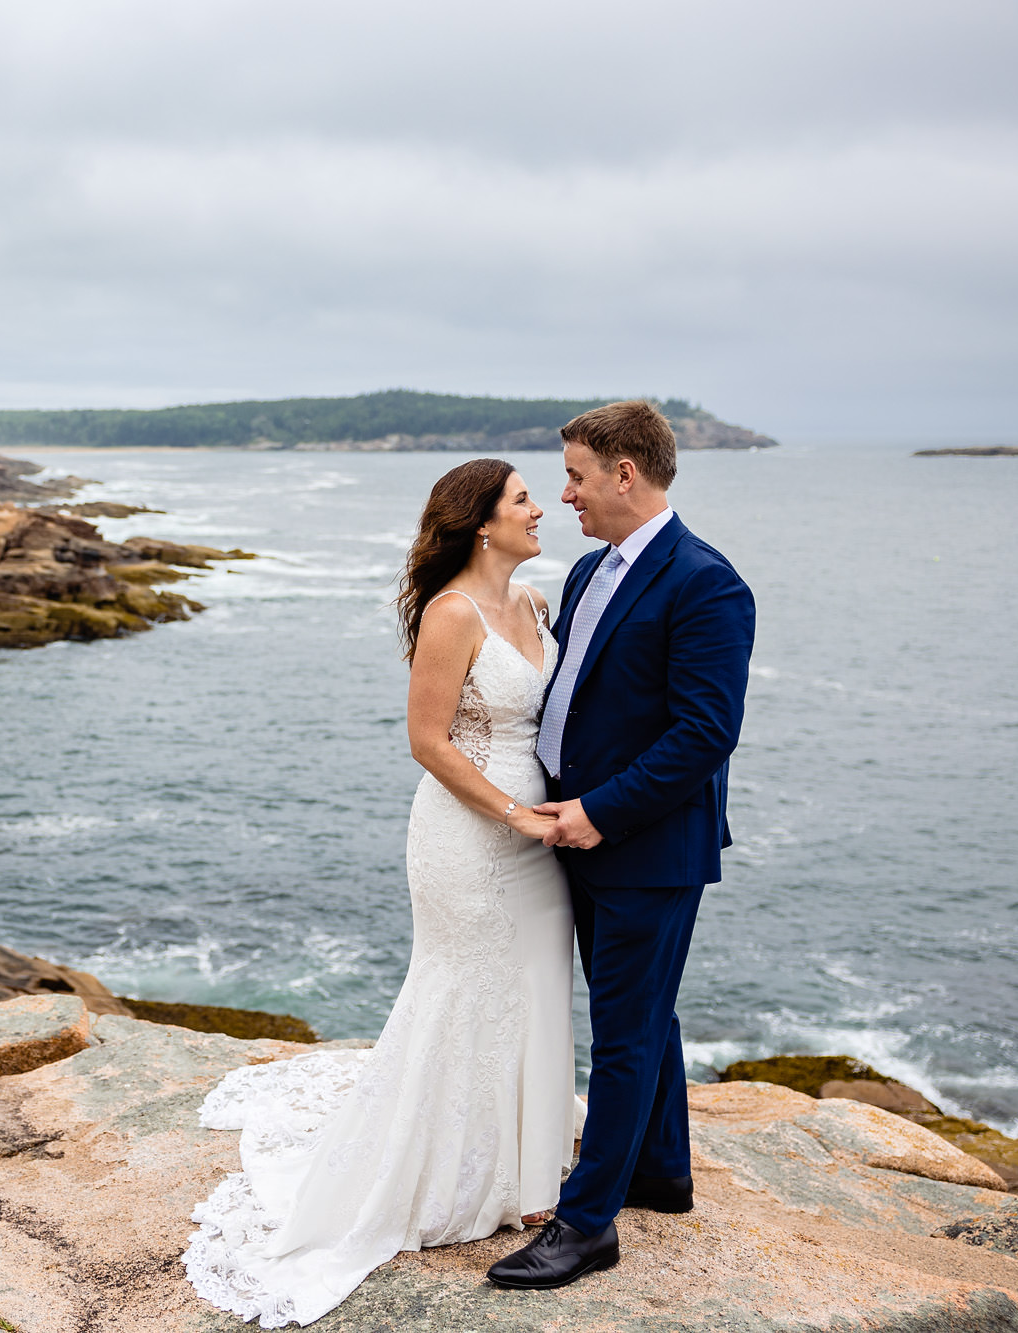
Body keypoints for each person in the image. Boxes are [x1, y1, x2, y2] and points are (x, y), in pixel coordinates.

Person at [184, 458, 582, 1328]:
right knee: (468, 983)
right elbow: (427, 740)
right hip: (470, 833)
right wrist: (516, 814)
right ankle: (455, 1169)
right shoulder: (452, 613)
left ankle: (529, 1167)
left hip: (538, 833)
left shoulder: (537, 605)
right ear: (482, 522)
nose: (540, 507)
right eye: (523, 498)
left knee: (536, 983)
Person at [485, 400, 755, 1290]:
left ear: (625, 475)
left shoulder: (705, 581)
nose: (565, 493)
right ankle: (660, 1173)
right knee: (645, 1013)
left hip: (644, 845)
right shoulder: (591, 569)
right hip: (581, 833)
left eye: (576, 475)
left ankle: (589, 1223)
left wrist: (599, 809)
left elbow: (704, 732)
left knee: (626, 1033)